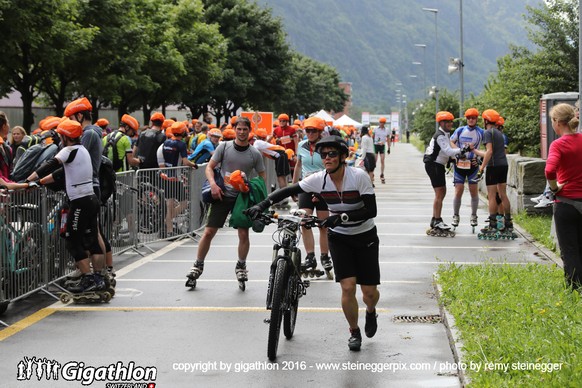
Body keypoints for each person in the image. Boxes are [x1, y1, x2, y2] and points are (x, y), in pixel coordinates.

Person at [247, 135, 379, 352]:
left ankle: (371, 311)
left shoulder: (358, 177)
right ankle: (354, 331)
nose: (327, 158)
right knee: (347, 287)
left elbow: (371, 210)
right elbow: (290, 190)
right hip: (339, 238)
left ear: (343, 156)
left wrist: (342, 217)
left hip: (365, 236)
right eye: (323, 154)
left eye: (332, 154)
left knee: (369, 293)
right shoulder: (319, 179)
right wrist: (261, 204)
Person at [26, 120, 105, 294]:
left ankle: (88, 279)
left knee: (72, 241)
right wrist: (41, 182)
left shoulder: (68, 150)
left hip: (80, 202)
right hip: (91, 199)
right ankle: (99, 278)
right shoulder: (82, 150)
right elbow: (61, 172)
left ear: (65, 136)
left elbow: (50, 165)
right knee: (92, 241)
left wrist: (28, 181)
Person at [186, 117, 265, 285]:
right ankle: (198, 265)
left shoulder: (254, 153)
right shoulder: (224, 147)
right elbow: (209, 167)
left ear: (249, 131)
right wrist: (214, 185)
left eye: (245, 129)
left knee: (243, 233)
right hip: (222, 195)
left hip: (241, 199)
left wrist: (249, 185)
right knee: (209, 232)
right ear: (234, 129)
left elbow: (262, 177)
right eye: (239, 129)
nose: (242, 132)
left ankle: (241, 265)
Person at [544, 103, 582, 290]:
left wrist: (554, 188)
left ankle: (575, 292)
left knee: (570, 250)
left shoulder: (558, 144)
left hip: (566, 203)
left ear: (557, 122)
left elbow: (549, 170)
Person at [291, 117, 332, 277]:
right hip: (306, 187)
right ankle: (310, 256)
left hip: (324, 188)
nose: (310, 133)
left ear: (320, 131)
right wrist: (293, 187)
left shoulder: (327, 146)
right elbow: (298, 166)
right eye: (307, 130)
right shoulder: (301, 145)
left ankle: (325, 256)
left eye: (313, 131)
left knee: (323, 224)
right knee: (304, 221)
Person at [423, 111, 469, 235]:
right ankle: (437, 220)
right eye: (447, 121)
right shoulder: (440, 135)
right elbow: (448, 151)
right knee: (440, 192)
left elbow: (446, 153)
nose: (450, 123)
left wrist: (456, 157)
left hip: (437, 164)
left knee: (441, 192)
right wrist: (463, 149)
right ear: (441, 123)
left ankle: (435, 219)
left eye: (451, 121)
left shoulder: (445, 134)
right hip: (433, 165)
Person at [473, 109, 513, 236]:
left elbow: (489, 151)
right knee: (503, 194)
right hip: (503, 165)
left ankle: (493, 225)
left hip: (493, 166)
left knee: (491, 196)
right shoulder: (499, 133)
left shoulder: (487, 132)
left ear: (486, 120)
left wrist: (481, 168)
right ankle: (508, 223)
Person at [158, 121, 198, 238]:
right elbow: (185, 162)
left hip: (166, 177)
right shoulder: (181, 144)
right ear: (183, 132)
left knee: (169, 203)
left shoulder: (166, 142)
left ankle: (169, 230)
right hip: (175, 178)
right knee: (184, 203)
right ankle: (168, 220)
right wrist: (194, 165)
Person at [449, 108, 484, 229]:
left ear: (476, 119)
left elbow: (487, 148)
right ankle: (455, 215)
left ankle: (474, 215)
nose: (471, 120)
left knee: (473, 191)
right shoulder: (460, 130)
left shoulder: (481, 132)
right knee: (458, 190)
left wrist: (479, 158)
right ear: (466, 119)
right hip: (460, 165)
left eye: (473, 118)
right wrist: (458, 153)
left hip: (473, 165)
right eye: (468, 118)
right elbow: (451, 142)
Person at [253, 128, 291, 207]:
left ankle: (283, 198)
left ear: (256, 136)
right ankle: (284, 197)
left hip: (279, 155)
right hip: (282, 153)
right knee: (283, 177)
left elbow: (254, 152)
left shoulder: (257, 142)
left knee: (280, 177)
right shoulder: (263, 142)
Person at [374, 117, 390, 184]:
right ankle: (372, 173)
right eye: (380, 122)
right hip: (375, 145)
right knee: (375, 160)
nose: (381, 124)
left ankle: (382, 174)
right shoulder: (375, 129)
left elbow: (388, 139)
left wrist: (389, 148)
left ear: (384, 123)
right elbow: (372, 137)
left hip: (382, 146)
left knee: (382, 160)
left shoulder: (387, 130)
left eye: (382, 123)